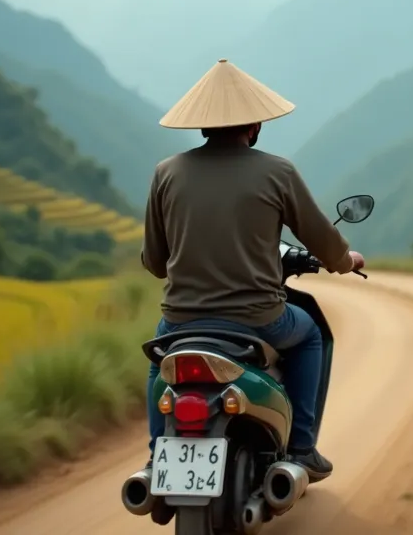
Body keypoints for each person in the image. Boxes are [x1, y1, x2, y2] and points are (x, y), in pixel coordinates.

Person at [139, 58, 365, 486]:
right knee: (311, 334)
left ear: (201, 124)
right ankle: (300, 447)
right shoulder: (277, 172)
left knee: (160, 362)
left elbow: (154, 261)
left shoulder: (165, 174)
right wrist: (345, 261)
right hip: (261, 319)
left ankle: (156, 457)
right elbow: (323, 240)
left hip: (180, 319)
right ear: (255, 126)